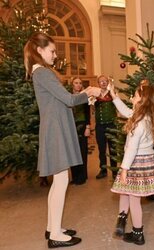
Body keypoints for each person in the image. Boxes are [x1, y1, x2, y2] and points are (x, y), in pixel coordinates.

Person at [24, 32, 101, 248]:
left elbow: (62, 101)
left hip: (55, 127)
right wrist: (88, 91)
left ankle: (52, 227)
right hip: (56, 130)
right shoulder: (43, 73)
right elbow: (68, 98)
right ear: (39, 50)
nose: (55, 55)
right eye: (52, 51)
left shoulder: (40, 73)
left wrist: (85, 94)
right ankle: (56, 234)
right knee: (61, 181)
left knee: (59, 181)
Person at [110, 82, 154, 245]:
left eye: (134, 96)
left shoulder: (139, 123)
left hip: (135, 163)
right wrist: (114, 97)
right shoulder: (144, 116)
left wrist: (124, 169)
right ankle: (121, 219)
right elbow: (127, 111)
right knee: (124, 192)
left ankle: (137, 233)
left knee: (134, 199)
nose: (132, 98)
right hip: (144, 161)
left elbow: (132, 149)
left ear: (142, 100)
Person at [94, 75, 117, 179]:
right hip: (99, 126)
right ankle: (103, 170)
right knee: (101, 149)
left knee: (113, 149)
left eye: (105, 81)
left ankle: (114, 171)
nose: (103, 83)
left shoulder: (112, 94)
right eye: (101, 81)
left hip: (111, 125)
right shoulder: (95, 95)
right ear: (98, 83)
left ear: (108, 82)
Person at [70, 77, 91, 185]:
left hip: (82, 125)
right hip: (71, 126)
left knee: (82, 151)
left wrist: (87, 127)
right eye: (76, 83)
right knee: (72, 151)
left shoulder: (84, 96)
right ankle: (74, 176)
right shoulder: (68, 96)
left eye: (80, 83)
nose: (78, 85)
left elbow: (87, 113)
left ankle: (82, 176)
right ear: (72, 84)